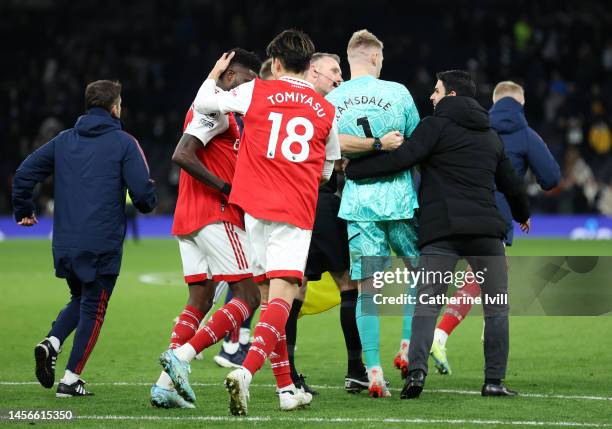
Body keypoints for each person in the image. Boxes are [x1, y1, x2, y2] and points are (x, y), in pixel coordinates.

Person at [163, 29, 341, 415]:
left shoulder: (257, 90)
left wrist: (214, 72)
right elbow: (328, 170)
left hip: (253, 208)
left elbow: (204, 101)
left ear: (275, 63)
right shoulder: (326, 109)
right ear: (309, 66)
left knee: (261, 298)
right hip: (293, 207)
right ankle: (242, 371)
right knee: (284, 295)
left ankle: (285, 389)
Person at [345, 70, 531, 399]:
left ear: (452, 95)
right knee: (497, 307)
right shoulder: (490, 133)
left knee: (427, 305)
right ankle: (494, 382)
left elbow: (402, 158)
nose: (431, 96)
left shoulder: (434, 127)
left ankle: (416, 375)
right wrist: (523, 214)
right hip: (486, 233)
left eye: (436, 90)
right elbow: (512, 184)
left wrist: (356, 170)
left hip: (441, 232)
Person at [12, 80, 157, 397]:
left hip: (65, 243)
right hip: (101, 244)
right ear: (115, 107)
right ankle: (71, 378)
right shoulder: (123, 143)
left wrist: (24, 209)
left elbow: (24, 173)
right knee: (94, 308)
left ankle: (51, 342)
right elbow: (143, 194)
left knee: (80, 299)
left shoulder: (64, 140)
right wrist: (148, 202)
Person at [153, 48, 262, 409]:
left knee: (199, 300)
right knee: (249, 297)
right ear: (229, 77)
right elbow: (182, 154)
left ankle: (164, 387)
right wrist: (228, 188)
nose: (249, 89)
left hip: (190, 214)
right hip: (214, 212)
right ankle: (183, 356)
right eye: (246, 80)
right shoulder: (214, 109)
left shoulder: (212, 109)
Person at [429, 80, 561, 375]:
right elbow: (551, 178)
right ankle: (442, 338)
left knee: (439, 282)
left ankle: (417, 344)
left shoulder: (476, 127)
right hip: (492, 218)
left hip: (451, 212)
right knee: (488, 286)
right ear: (521, 103)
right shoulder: (526, 135)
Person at [326, 29, 420, 398]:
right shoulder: (398, 93)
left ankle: (375, 369)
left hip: (359, 201)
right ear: (377, 59)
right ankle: (408, 346)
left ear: (349, 61)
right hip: (398, 197)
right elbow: (414, 145)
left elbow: (328, 150)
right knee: (418, 271)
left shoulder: (332, 98)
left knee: (367, 288)